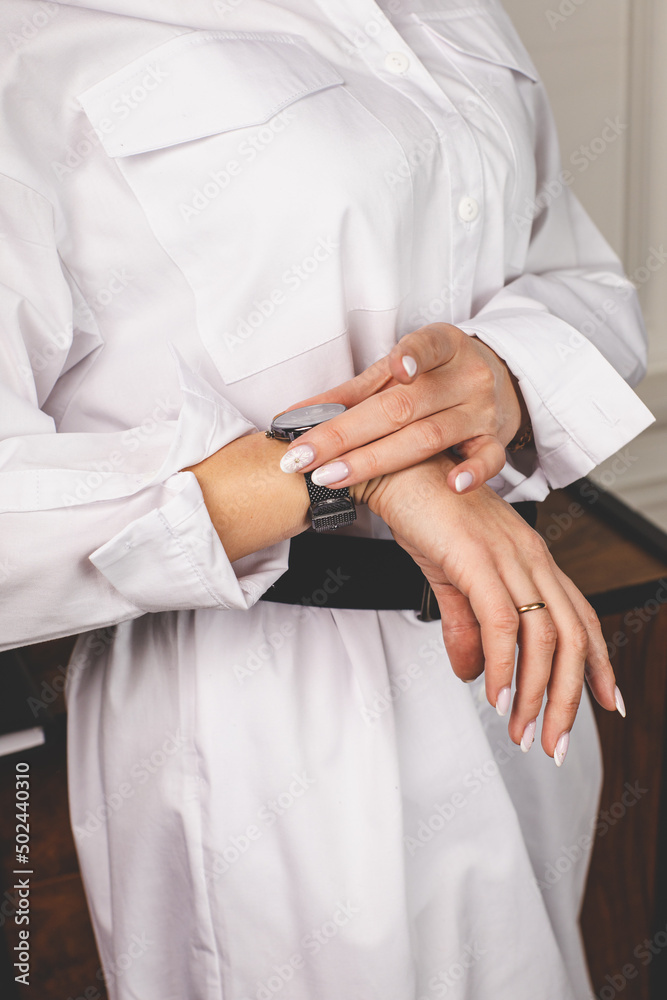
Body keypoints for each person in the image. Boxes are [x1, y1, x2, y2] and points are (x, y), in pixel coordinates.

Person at [0, 1, 654, 998]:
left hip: (505, 661)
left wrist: (498, 374)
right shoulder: (36, 41)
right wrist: (348, 473)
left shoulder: (457, 11)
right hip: (257, 725)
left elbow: (579, 279)